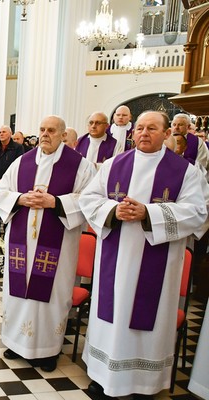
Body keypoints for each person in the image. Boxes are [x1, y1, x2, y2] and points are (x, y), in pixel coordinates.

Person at [78, 111, 209, 398]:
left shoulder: (185, 171)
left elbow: (198, 212)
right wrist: (113, 210)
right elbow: (88, 198)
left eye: (152, 128)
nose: (144, 133)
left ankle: (142, 382)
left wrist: (147, 213)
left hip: (158, 263)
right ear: (132, 132)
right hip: (115, 256)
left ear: (166, 134)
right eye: (139, 128)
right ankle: (103, 375)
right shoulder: (113, 164)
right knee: (110, 316)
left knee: (147, 317)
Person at [0, 115, 96, 372]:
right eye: (42, 129)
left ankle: (47, 350)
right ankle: (16, 342)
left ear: (63, 135)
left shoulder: (80, 166)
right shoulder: (22, 162)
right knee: (18, 293)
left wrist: (56, 203)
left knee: (52, 295)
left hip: (57, 243)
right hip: (21, 241)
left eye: (51, 130)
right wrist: (20, 198)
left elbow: (90, 199)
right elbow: (0, 192)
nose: (45, 134)